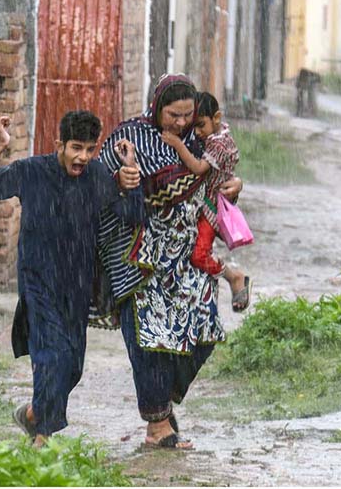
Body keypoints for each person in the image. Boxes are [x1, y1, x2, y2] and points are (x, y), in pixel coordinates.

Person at [0, 112, 144, 447]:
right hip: (37, 279)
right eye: (76, 148)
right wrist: (1, 146)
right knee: (51, 354)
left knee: (72, 364)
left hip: (77, 284)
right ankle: (42, 438)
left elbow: (132, 216)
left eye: (90, 149)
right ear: (59, 144)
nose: (83, 157)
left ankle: (33, 414)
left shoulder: (97, 176)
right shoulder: (32, 171)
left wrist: (130, 177)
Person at [95, 74, 243, 449]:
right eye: (173, 114)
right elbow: (97, 183)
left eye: (187, 115)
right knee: (151, 341)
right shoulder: (130, 136)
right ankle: (158, 424)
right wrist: (122, 180)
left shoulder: (201, 140)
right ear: (157, 106)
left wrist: (233, 186)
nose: (180, 122)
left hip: (189, 261)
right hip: (141, 258)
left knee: (203, 336)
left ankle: (162, 400)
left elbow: (213, 182)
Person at [160, 91, 252, 312]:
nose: (197, 132)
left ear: (216, 118)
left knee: (199, 255)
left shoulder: (217, 144)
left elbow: (200, 168)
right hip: (203, 207)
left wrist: (176, 144)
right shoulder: (212, 136)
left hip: (210, 208)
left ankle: (233, 277)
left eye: (200, 125)